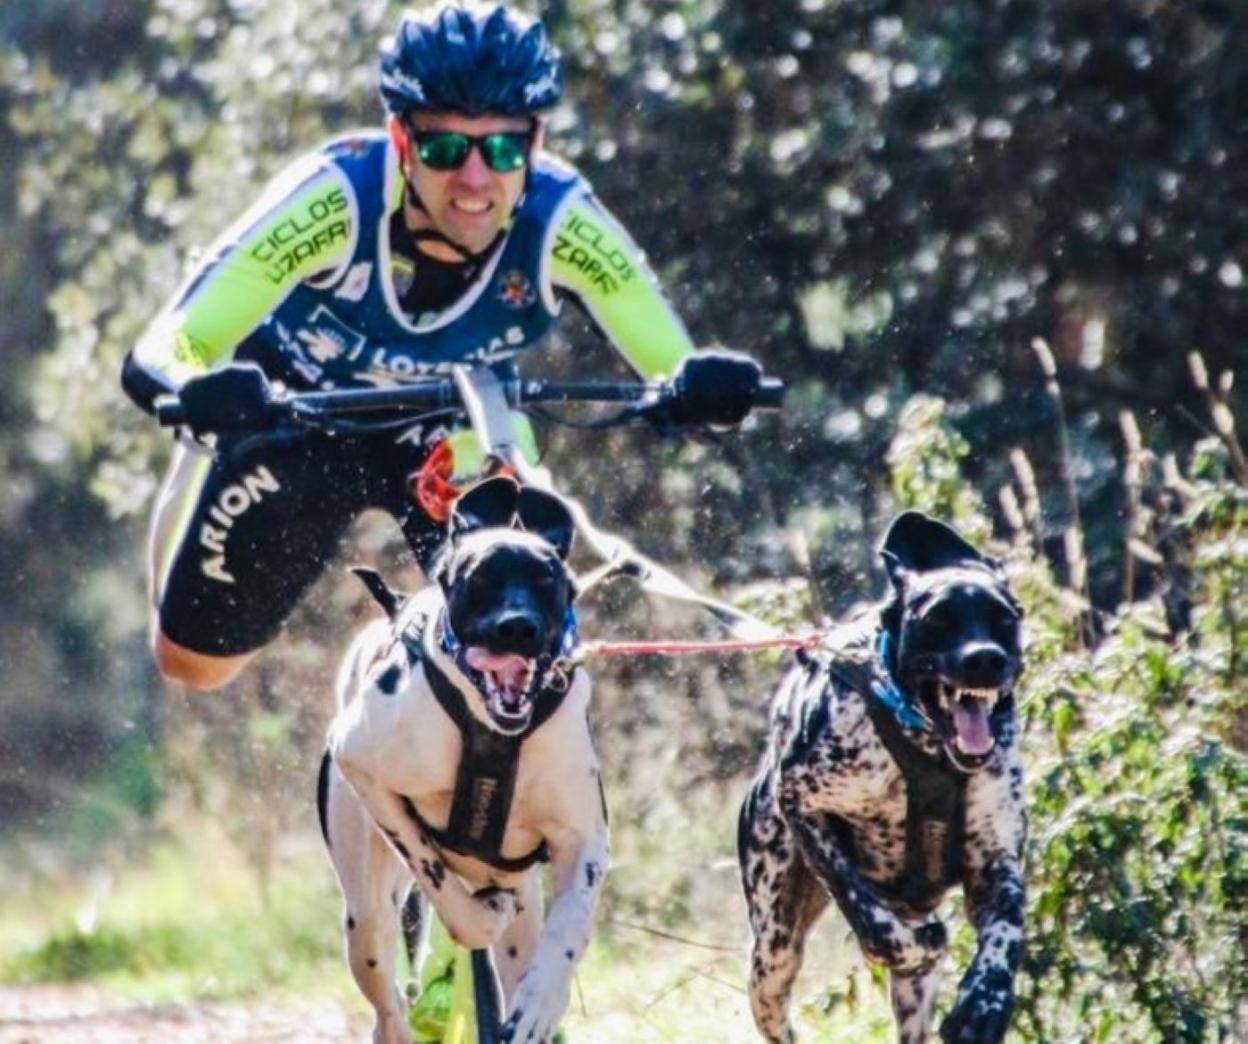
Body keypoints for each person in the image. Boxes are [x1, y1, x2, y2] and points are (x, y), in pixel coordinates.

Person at [122, 1, 762, 692]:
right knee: (193, 668)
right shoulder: (336, 199)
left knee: (528, 637)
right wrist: (193, 391)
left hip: (450, 425)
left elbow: (673, 365)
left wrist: (700, 389)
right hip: (303, 416)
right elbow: (172, 342)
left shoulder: (560, 219)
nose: (476, 180)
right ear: (401, 139)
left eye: (504, 149)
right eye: (445, 149)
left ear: (537, 143)